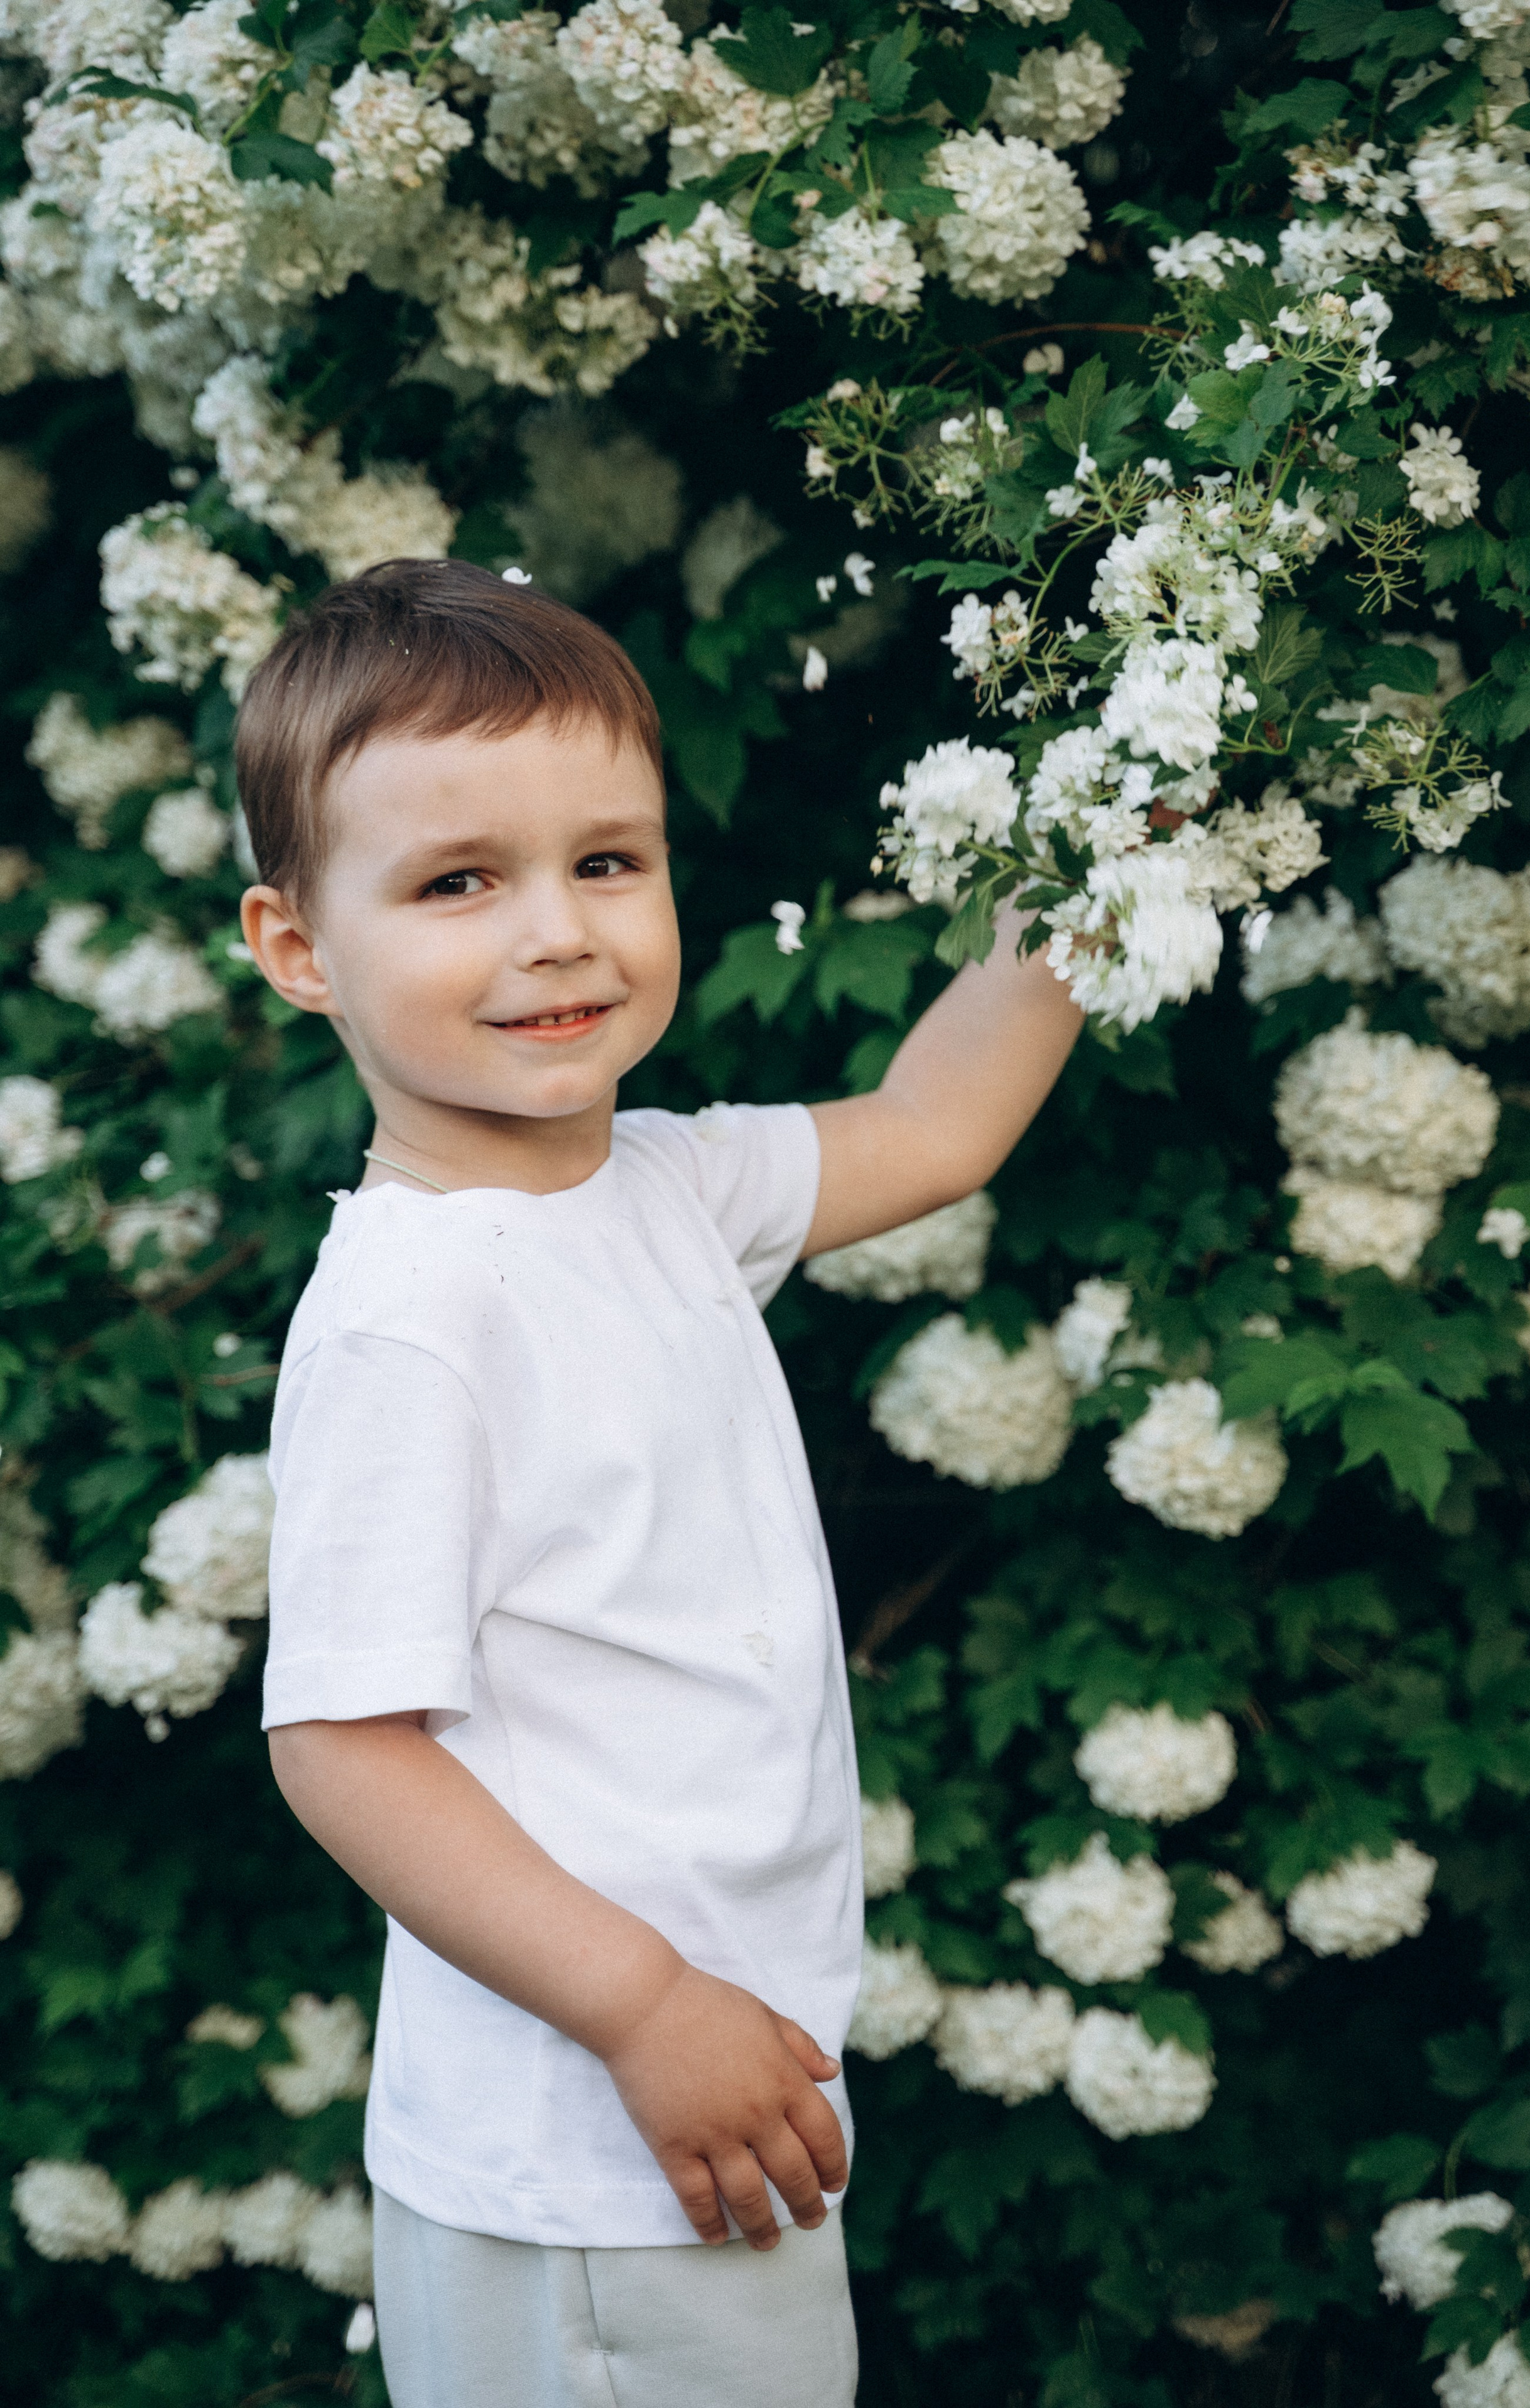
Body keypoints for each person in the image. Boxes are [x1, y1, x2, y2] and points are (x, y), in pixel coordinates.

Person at [238, 558, 1083, 2408]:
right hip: (591, 2133)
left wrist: (1099, 862)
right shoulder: (417, 1310)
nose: (557, 931)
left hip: (716, 2080)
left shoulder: (659, 1188)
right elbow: (345, 1743)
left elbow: (935, 1126)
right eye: (460, 881)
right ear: (301, 947)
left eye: (605, 861)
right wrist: (642, 2004)